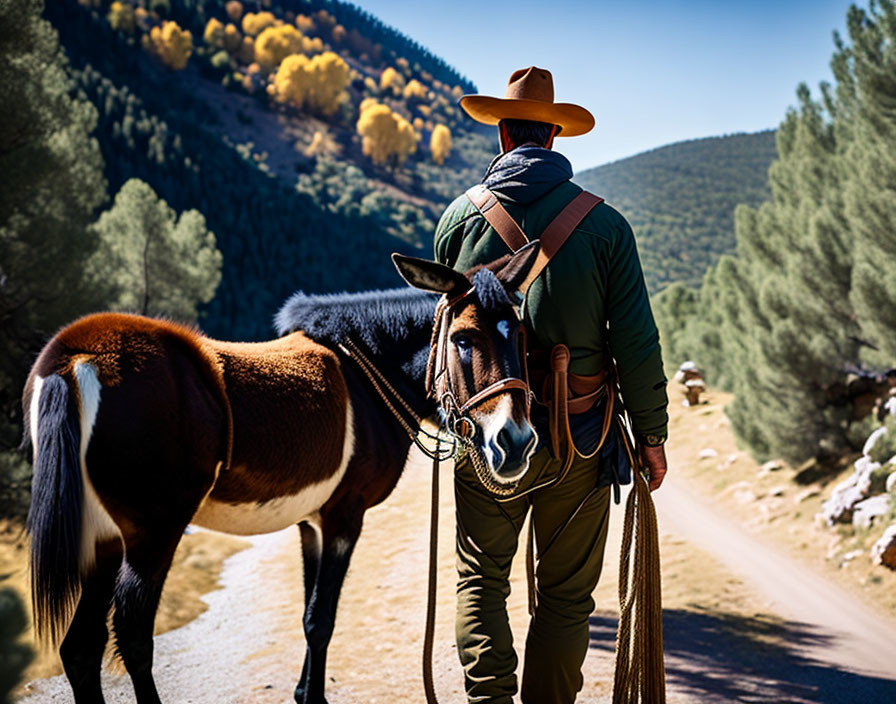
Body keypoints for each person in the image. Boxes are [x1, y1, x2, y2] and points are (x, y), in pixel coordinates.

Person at [433, 67, 669, 704]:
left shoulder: (457, 220)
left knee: (480, 580)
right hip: (580, 441)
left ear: (504, 135)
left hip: (484, 441)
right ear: (556, 136)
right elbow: (638, 344)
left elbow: (447, 335)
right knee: (566, 601)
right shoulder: (607, 225)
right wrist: (651, 436)